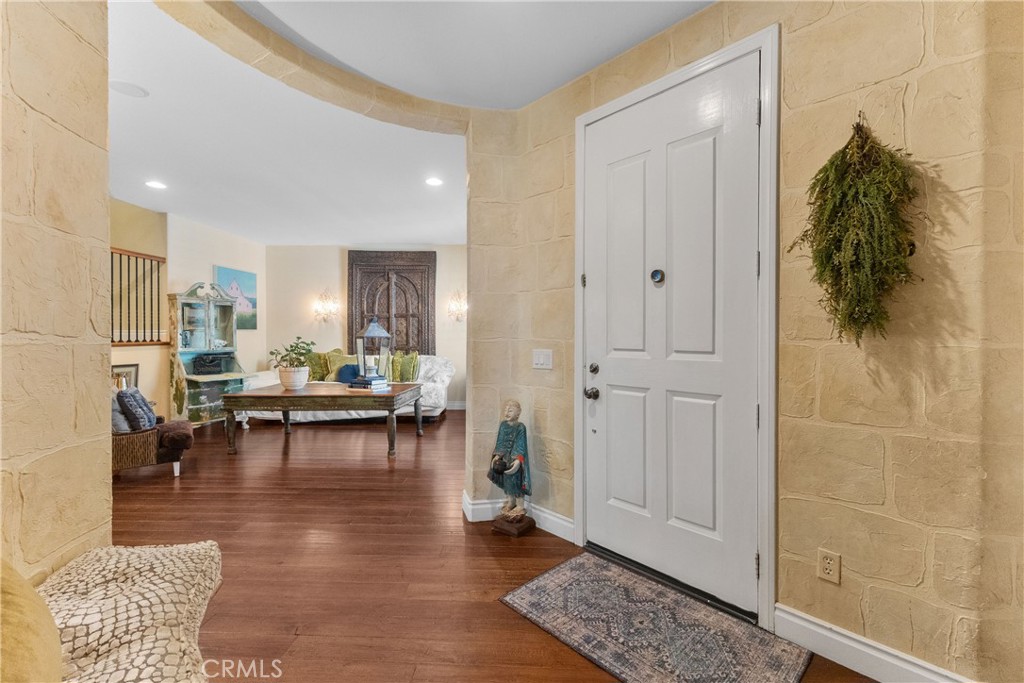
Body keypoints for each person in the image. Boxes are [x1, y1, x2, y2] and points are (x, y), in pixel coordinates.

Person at [488, 399, 531, 521]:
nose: (507, 412)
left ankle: (520, 505)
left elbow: (520, 445)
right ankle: (511, 501)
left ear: (518, 413)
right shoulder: (503, 425)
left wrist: (517, 461)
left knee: (516, 480)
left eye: (510, 410)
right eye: (506, 410)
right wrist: (497, 456)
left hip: (516, 459)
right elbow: (500, 443)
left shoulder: (520, 427)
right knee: (507, 481)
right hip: (505, 459)